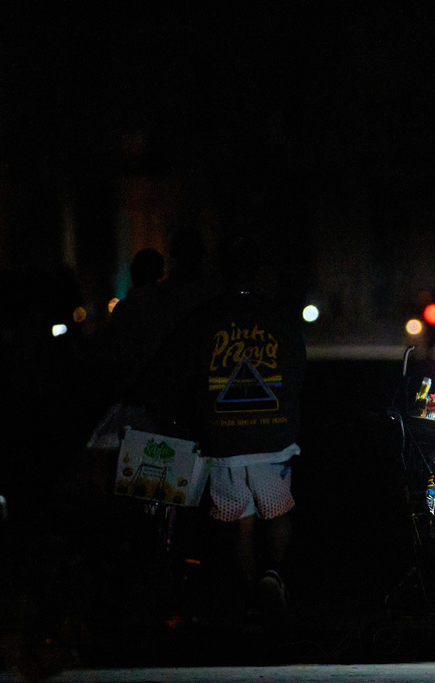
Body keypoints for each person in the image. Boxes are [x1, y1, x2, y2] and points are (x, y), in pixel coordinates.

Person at [170, 232, 306, 622]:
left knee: (239, 522)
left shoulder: (205, 316)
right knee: (277, 512)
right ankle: (273, 576)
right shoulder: (278, 314)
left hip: (223, 439)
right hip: (273, 436)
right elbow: (297, 369)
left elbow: (183, 371)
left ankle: (250, 599)